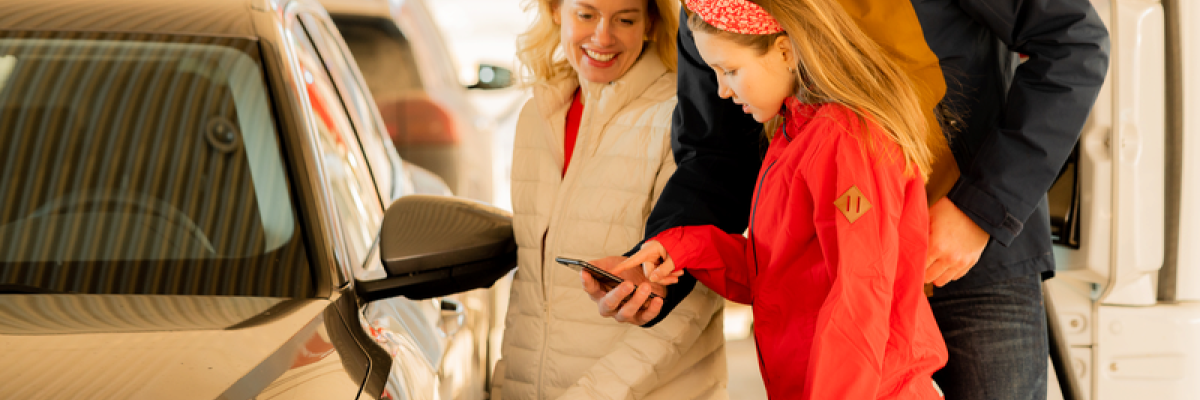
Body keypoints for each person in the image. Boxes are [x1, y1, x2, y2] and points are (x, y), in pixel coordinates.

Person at [587, 0, 1110, 399]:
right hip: (829, 276)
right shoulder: (717, 12)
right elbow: (715, 154)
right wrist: (662, 261)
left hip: (975, 263)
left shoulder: (847, 137)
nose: (725, 86)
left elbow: (1074, 42)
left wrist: (981, 207)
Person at [600, 0, 950, 397]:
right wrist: (677, 248)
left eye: (730, 70)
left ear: (785, 51)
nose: (721, 90)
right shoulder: (792, 136)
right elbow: (774, 273)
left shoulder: (847, 139)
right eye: (714, 72)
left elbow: (860, 296)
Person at [489, 0, 728, 399]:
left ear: (650, 21)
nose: (603, 37)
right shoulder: (536, 115)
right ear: (554, 11)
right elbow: (530, 290)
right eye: (586, 15)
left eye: (625, 19)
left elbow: (690, 302)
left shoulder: (682, 120)